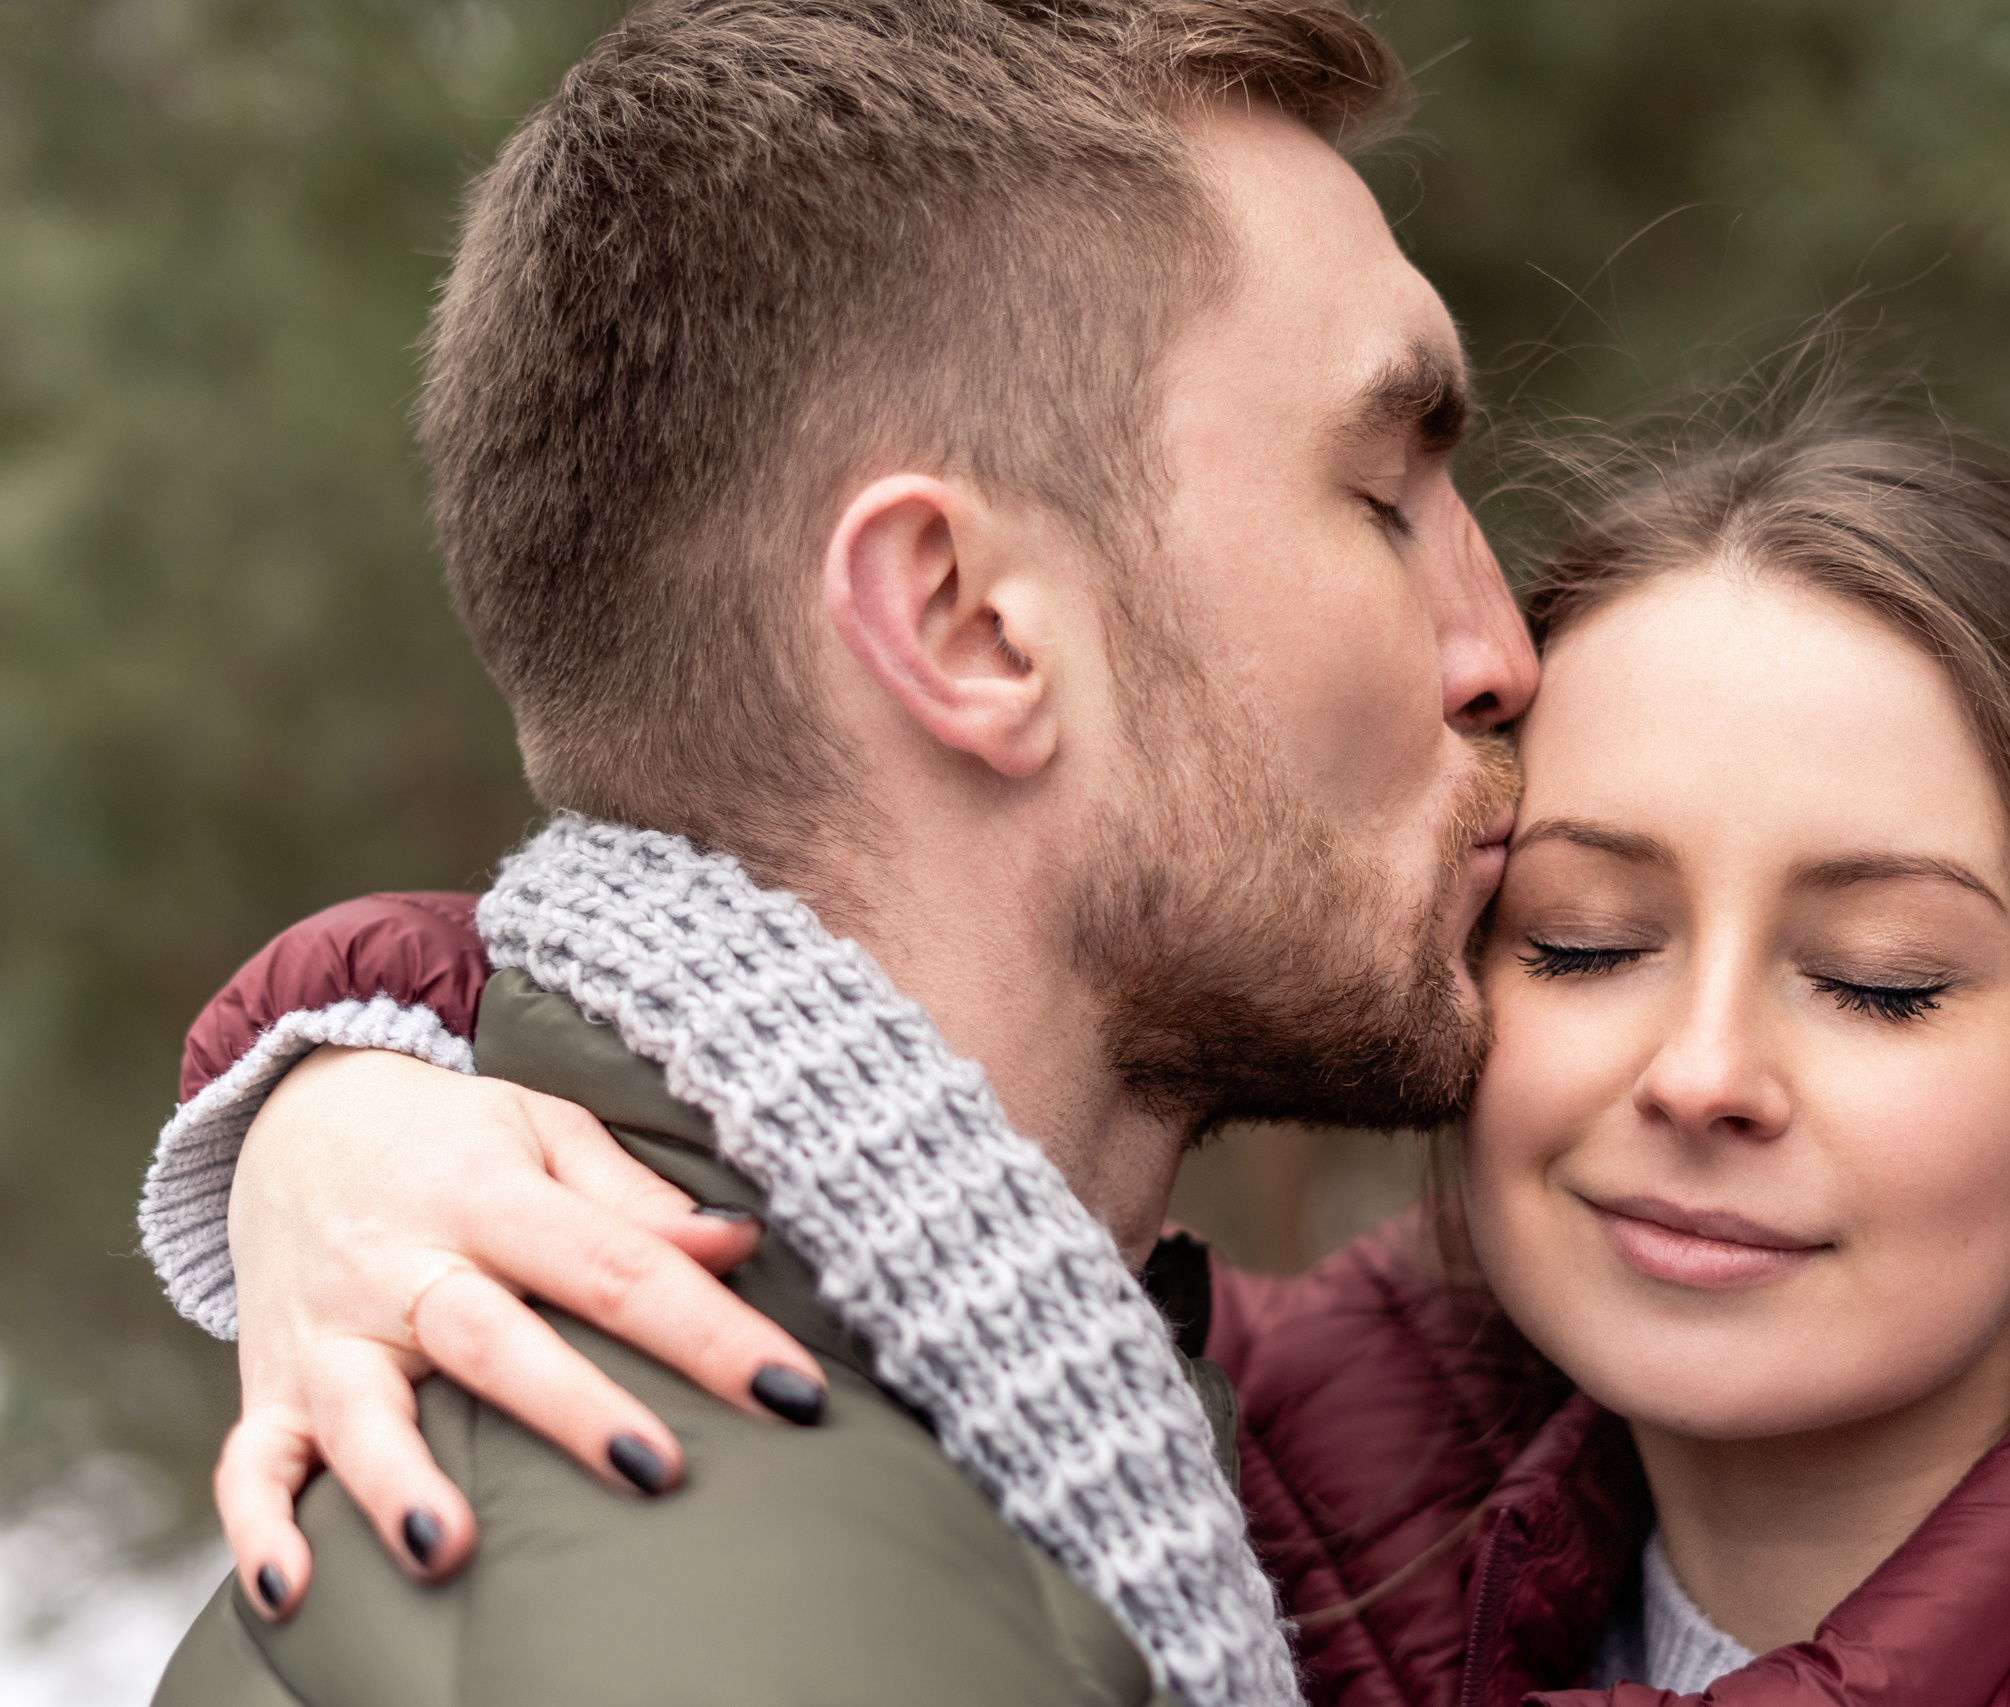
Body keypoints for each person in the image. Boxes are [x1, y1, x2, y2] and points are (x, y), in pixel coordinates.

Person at [161, 416, 2010, 1707]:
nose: (1700, 1067)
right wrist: (343, 1095)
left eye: (1880, 980)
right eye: (1587, 935)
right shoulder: (1265, 1450)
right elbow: (747, 1007)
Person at [143, 1, 1542, 1703]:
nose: (1500, 650)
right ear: (964, 625)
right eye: (1387, 497)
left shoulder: (914, 1470)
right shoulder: (763, 1602)